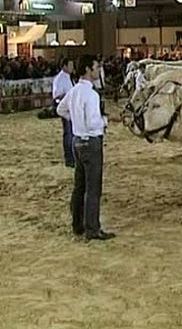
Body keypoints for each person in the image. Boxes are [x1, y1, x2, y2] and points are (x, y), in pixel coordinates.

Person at [56, 55, 115, 241]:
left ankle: (77, 225)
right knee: (93, 188)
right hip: (91, 142)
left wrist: (76, 121)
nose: (98, 70)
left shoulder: (74, 91)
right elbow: (93, 123)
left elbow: (60, 110)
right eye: (97, 67)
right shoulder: (91, 94)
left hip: (77, 141)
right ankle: (92, 229)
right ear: (88, 69)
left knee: (79, 186)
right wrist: (106, 120)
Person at [52, 58, 75, 167]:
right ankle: (69, 158)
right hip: (66, 109)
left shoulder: (70, 78)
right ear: (64, 66)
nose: (72, 67)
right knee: (68, 133)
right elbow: (56, 96)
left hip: (72, 108)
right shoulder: (59, 79)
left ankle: (73, 156)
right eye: (70, 65)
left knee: (72, 133)